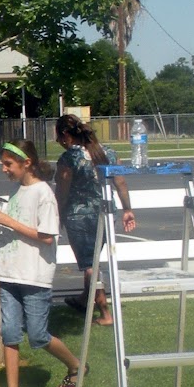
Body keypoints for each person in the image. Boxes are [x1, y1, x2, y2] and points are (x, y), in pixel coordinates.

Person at [0, 139, 83, 387]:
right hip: (9, 273)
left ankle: (76, 366)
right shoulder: (17, 192)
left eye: (8, 164)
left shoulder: (43, 194)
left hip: (34, 275)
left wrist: (8, 222)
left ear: (26, 163)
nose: (4, 169)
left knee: (38, 335)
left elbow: (47, 237)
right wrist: (1, 219)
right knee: (10, 333)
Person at [53, 113, 136, 326]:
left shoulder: (69, 159)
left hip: (78, 216)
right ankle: (84, 299)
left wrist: (57, 215)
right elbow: (121, 183)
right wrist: (128, 209)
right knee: (93, 260)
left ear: (65, 135)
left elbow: (62, 192)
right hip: (105, 213)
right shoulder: (107, 152)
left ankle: (105, 312)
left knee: (90, 265)